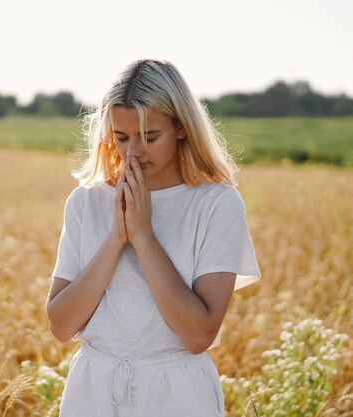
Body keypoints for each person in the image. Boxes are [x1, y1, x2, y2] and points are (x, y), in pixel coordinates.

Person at [45, 59, 261, 417]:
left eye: (150, 136)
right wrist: (117, 237)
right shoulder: (86, 201)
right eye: (122, 137)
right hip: (93, 390)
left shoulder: (216, 204)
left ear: (181, 127)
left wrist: (143, 236)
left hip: (178, 394)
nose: (133, 153)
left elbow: (198, 335)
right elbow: (61, 325)